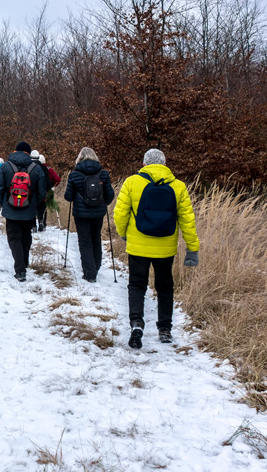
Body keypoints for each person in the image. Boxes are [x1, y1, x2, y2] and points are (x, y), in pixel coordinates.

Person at [113, 148, 200, 349]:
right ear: (165, 164)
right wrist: (192, 248)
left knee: (136, 285)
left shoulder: (132, 182)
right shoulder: (178, 186)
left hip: (138, 246)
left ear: (144, 164)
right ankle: (165, 330)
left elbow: (120, 213)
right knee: (165, 287)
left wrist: (124, 233)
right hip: (165, 247)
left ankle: (136, 324)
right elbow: (188, 221)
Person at [0, 141, 46, 282]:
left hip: (10, 209)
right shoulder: (36, 168)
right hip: (29, 209)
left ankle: (20, 270)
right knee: (26, 236)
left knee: (14, 238)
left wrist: (3, 203)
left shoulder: (5, 166)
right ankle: (25, 262)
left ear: (15, 151)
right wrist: (33, 203)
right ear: (28, 153)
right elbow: (42, 192)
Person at [63, 147, 115, 283]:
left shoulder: (74, 174)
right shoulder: (103, 174)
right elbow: (109, 195)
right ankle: (95, 267)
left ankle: (90, 273)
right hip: (98, 212)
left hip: (81, 214)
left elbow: (68, 197)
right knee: (95, 238)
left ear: (80, 158)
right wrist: (103, 203)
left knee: (85, 241)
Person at [29, 150, 50, 232]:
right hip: (42, 191)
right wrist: (48, 189)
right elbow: (47, 180)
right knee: (41, 207)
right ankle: (41, 221)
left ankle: (33, 225)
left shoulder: (29, 167)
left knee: (32, 208)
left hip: (32, 191)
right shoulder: (43, 167)